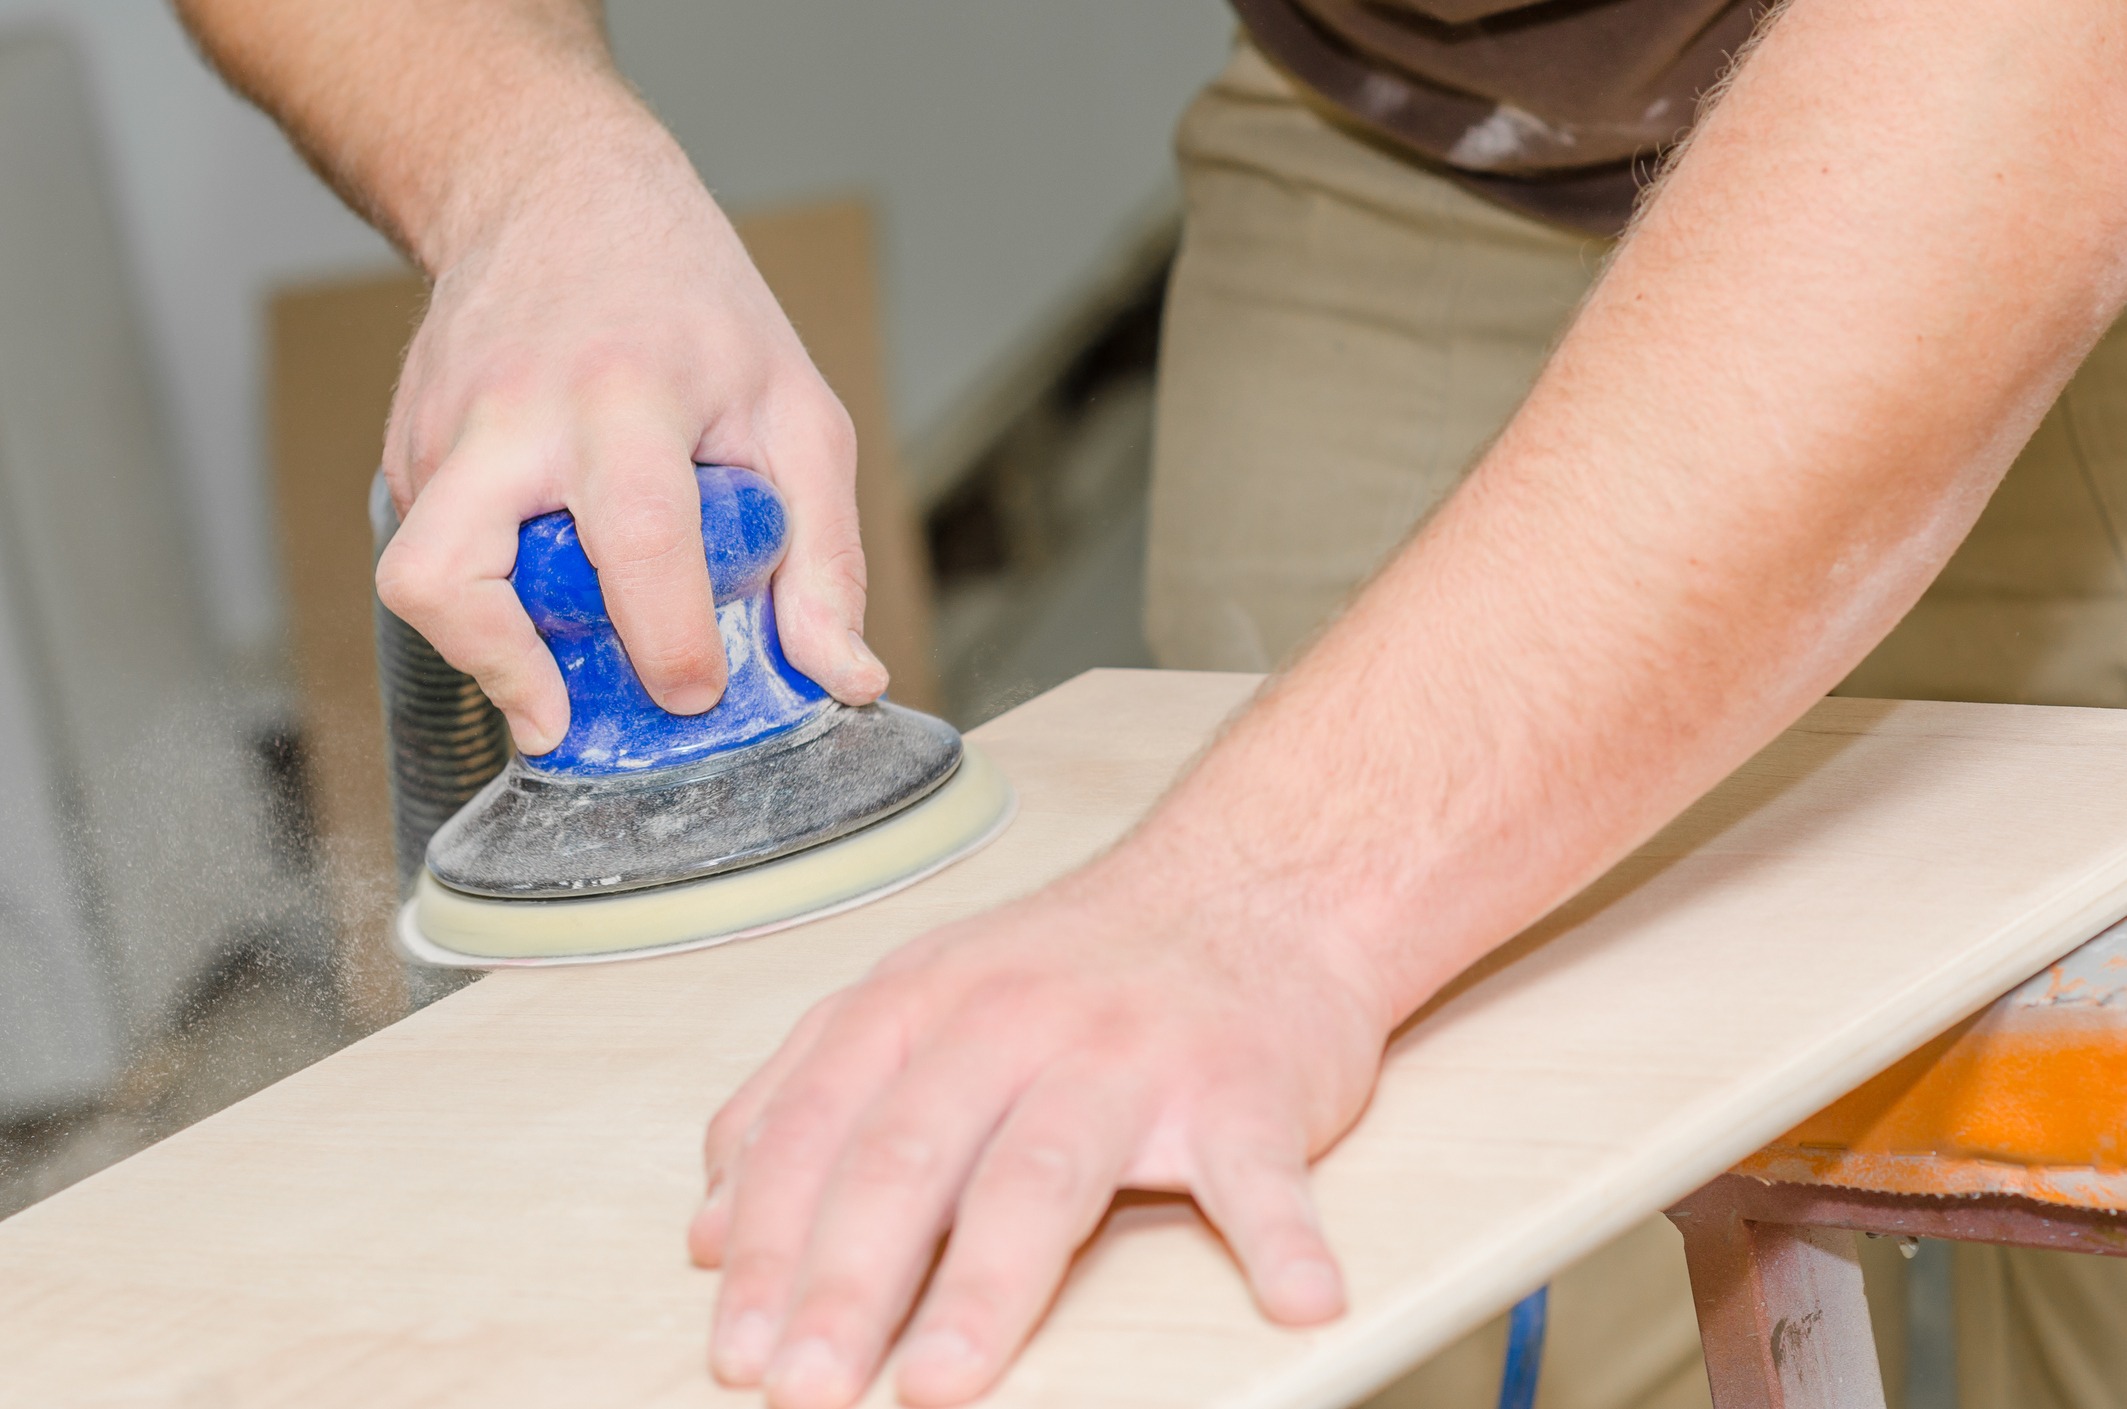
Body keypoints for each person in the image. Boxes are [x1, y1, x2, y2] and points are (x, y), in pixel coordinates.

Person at [175, 3, 2127, 1409]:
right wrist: (535, 174)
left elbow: (2016, 75)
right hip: (1418, 126)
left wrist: (1261, 892)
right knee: (1342, 1273)